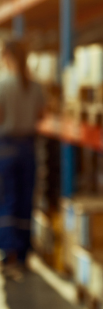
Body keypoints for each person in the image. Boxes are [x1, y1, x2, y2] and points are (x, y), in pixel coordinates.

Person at [0, 39, 44, 274]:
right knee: (26, 201)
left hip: (6, 146)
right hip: (29, 147)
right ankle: (25, 254)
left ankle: (10, 256)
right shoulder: (34, 86)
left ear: (7, 54)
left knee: (8, 200)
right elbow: (41, 114)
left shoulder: (3, 83)